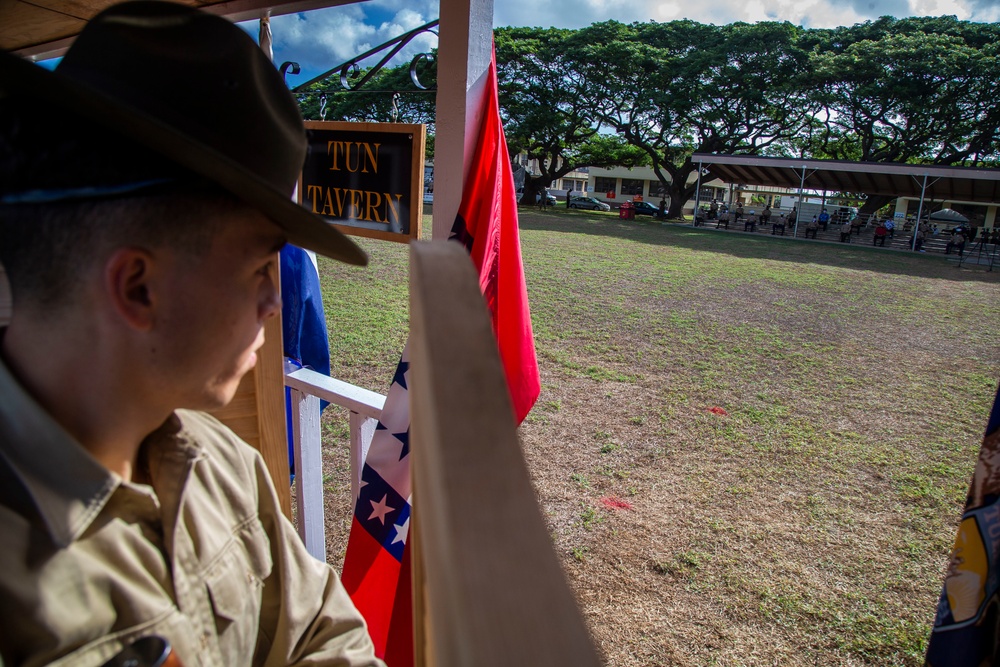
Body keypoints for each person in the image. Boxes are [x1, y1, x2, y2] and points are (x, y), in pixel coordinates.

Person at [0, 4, 383, 666]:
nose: (274, 302)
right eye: (262, 265)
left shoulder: (223, 468)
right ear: (139, 288)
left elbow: (326, 634)